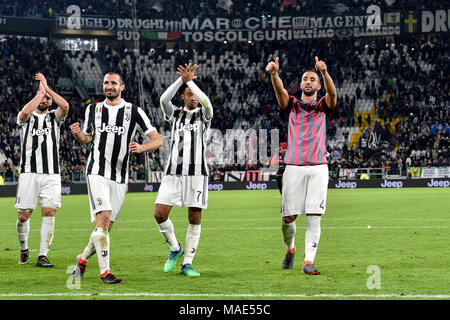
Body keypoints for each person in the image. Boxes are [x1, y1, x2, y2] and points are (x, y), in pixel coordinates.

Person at [69, 72, 162, 284]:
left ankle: (82, 261)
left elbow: (157, 140)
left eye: (113, 83)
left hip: (120, 177)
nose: (109, 87)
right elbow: (87, 138)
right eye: (106, 83)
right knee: (103, 218)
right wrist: (78, 135)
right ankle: (105, 273)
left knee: (106, 227)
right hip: (97, 172)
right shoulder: (93, 109)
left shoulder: (134, 111)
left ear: (122, 87)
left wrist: (141, 147)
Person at [266, 56, 337, 275]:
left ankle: (308, 262)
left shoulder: (323, 105)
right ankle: (290, 249)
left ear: (317, 85)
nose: (308, 82)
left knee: (314, 215)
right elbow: (280, 93)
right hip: (293, 167)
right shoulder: (293, 105)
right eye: (305, 79)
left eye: (312, 79)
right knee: (288, 218)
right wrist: (274, 74)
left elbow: (333, 95)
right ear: (301, 84)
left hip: (318, 167)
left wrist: (324, 73)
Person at [154, 63, 213, 277]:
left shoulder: (204, 115)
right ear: (182, 97)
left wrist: (191, 82)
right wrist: (182, 80)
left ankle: (187, 263)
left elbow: (206, 101)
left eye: (194, 94)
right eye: (188, 94)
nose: (192, 97)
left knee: (194, 217)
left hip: (197, 174)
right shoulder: (176, 115)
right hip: (173, 173)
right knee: (160, 214)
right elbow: (163, 100)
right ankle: (175, 249)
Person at [15, 73, 69, 267]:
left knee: (49, 212)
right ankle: (24, 250)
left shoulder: (54, 118)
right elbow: (22, 114)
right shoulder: (27, 118)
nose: (46, 99)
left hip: (51, 173)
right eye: (43, 96)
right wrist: (40, 92)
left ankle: (43, 255)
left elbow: (65, 106)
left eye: (48, 98)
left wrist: (48, 89)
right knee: (23, 216)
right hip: (29, 172)